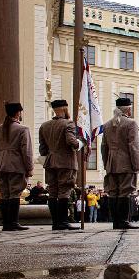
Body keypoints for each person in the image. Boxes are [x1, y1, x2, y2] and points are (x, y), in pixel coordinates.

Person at [39, 99, 83, 231]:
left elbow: (42, 149)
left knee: (52, 192)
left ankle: (55, 222)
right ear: (64, 109)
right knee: (64, 191)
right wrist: (81, 143)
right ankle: (63, 221)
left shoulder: (44, 126)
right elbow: (71, 141)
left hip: (50, 162)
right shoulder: (68, 123)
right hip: (65, 162)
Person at [101, 96, 139, 229]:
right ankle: (123, 221)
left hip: (111, 163)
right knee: (125, 192)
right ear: (128, 110)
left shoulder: (107, 125)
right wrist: (137, 166)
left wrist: (106, 163)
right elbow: (134, 146)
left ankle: (115, 222)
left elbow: (103, 147)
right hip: (126, 163)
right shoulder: (131, 124)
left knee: (113, 192)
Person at [0, 102, 33, 231]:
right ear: (18, 113)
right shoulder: (22, 129)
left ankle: (5, 223)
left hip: (1, 165)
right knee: (15, 193)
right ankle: (13, 222)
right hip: (16, 165)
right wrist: (29, 167)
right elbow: (26, 151)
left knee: (4, 194)